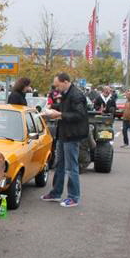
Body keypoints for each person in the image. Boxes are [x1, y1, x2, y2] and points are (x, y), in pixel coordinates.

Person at [40, 73, 88, 208]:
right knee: (59, 165)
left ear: (65, 82)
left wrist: (59, 114)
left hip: (72, 135)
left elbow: (80, 114)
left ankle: (73, 197)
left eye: (57, 85)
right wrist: (52, 109)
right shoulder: (67, 94)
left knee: (71, 167)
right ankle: (56, 193)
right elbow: (65, 108)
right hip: (64, 134)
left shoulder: (76, 95)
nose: (56, 88)